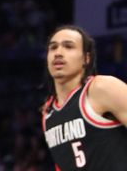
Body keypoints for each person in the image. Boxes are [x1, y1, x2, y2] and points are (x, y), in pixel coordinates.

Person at [42, 25, 127, 170]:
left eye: (68, 46)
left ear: (86, 59)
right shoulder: (47, 113)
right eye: (53, 47)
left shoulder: (101, 87)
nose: (58, 53)